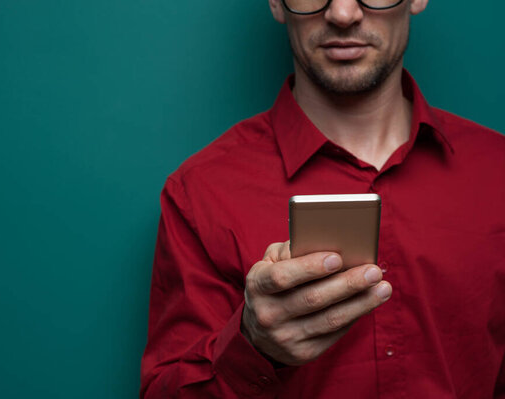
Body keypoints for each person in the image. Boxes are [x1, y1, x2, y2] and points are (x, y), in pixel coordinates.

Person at [141, 0, 505, 397]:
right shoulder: (200, 193)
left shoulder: (497, 173)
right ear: (276, 3)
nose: (343, 13)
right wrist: (252, 343)